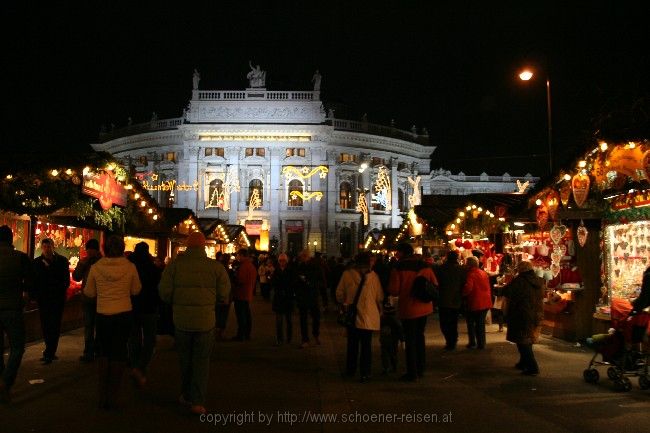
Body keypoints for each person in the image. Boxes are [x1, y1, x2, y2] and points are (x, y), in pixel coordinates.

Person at [159, 232, 231, 415]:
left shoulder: (174, 267)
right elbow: (224, 294)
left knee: (185, 360)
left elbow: (164, 292)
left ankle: (185, 393)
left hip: (181, 320)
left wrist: (177, 300)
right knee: (201, 361)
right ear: (204, 247)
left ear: (187, 246)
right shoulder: (215, 268)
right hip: (206, 321)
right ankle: (197, 401)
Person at [84, 235, 141, 409]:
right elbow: (136, 289)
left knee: (104, 352)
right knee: (119, 353)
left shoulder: (96, 267)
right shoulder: (130, 267)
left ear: (105, 249)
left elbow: (90, 292)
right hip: (123, 313)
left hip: (103, 314)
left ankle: (102, 395)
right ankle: (113, 395)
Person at [387, 243, 437, 382]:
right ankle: (421, 368)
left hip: (408, 307)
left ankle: (412, 372)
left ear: (402, 253)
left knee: (410, 339)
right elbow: (434, 283)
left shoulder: (398, 267)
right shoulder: (424, 265)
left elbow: (394, 290)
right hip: (425, 307)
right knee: (420, 337)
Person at [336, 253, 383, 382]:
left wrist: (346, 301)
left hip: (353, 315)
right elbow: (379, 297)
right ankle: (365, 372)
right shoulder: (374, 277)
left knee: (352, 345)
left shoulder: (347, 275)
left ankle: (350, 370)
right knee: (366, 346)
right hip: (368, 316)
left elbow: (339, 294)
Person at [0, 225, 31, 404]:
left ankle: (2, 383)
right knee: (17, 347)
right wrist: (24, 293)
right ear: (11, 240)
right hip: (12, 307)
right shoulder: (20, 258)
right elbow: (30, 282)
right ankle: (6, 382)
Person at [127, 242, 162, 388]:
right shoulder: (153, 268)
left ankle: (135, 364)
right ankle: (140, 367)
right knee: (149, 340)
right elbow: (158, 288)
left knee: (133, 338)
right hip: (149, 307)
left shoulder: (129, 267)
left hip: (132, 306)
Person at [502, 260, 545, 376]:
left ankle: (532, 367)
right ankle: (523, 362)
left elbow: (506, 291)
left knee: (523, 341)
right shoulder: (538, 280)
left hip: (522, 313)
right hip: (536, 313)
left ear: (520, 269)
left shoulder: (519, 281)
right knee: (527, 339)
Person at [33, 238, 70, 364]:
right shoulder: (37, 262)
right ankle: (50, 350)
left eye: (49, 247)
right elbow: (35, 282)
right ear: (42, 248)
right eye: (45, 247)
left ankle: (50, 351)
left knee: (55, 324)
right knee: (46, 324)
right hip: (43, 298)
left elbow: (65, 281)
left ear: (53, 247)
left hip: (57, 298)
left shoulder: (62, 261)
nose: (47, 249)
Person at [72, 238, 102, 363]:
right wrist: (82, 264)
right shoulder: (85, 262)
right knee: (89, 326)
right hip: (88, 299)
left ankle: (97, 351)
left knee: (98, 327)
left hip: (100, 299)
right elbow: (76, 277)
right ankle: (89, 351)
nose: (89, 253)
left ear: (96, 251)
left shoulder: (102, 262)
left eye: (91, 251)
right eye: (88, 251)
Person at [433, 250, 466, 350]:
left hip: (443, 299)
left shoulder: (441, 269)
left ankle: (449, 340)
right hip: (456, 299)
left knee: (444, 322)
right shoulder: (461, 269)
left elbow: (436, 283)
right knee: (453, 321)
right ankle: (453, 340)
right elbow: (463, 283)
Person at [462, 256, 492, 349]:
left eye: (466, 263)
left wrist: (462, 293)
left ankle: (473, 342)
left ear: (469, 265)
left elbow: (468, 288)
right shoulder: (483, 273)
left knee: (471, 323)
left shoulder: (471, 274)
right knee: (480, 323)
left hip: (475, 301)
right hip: (485, 301)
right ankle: (481, 343)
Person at [295, 249, 322, 348]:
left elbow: (320, 279)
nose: (303, 258)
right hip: (303, 297)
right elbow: (296, 281)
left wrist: (308, 281)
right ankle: (305, 339)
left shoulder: (315, 266)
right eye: (302, 256)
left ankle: (316, 335)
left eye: (305, 256)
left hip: (313, 295)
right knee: (303, 319)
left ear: (309, 256)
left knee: (316, 317)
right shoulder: (299, 267)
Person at [270, 253, 295, 345]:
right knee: (279, 321)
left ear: (286, 261)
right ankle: (279, 338)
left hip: (288, 298)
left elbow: (292, 283)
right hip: (279, 298)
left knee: (289, 320)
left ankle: (289, 338)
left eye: (283, 260)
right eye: (280, 260)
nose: (282, 262)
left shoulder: (291, 270)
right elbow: (273, 283)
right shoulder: (276, 271)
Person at [232, 249, 257, 341]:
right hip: (248, 293)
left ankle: (241, 335)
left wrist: (234, 280)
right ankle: (247, 334)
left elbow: (241, 280)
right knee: (247, 314)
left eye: (238, 255)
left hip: (241, 294)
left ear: (242, 255)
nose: (237, 257)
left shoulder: (243, 266)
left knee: (241, 316)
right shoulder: (251, 266)